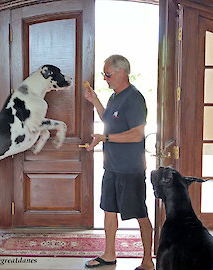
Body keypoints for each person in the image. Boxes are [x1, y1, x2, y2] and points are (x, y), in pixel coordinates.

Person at [84, 55, 154, 270]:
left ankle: (147, 262)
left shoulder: (134, 98)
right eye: (104, 74)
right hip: (112, 166)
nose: (105, 78)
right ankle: (109, 254)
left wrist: (104, 138)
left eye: (108, 74)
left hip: (130, 169)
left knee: (140, 214)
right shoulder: (115, 97)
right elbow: (109, 120)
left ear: (122, 72)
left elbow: (136, 135)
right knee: (109, 210)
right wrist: (95, 100)